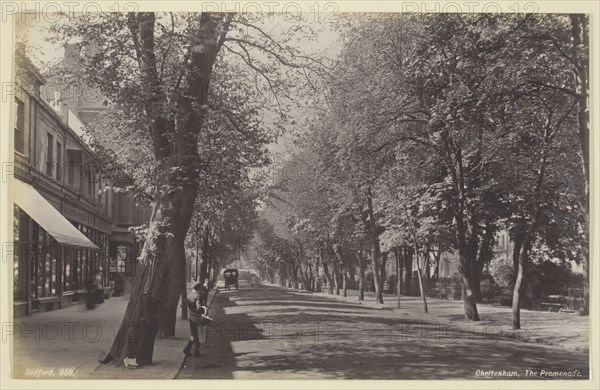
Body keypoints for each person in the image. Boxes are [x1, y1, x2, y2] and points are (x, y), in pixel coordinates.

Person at [183, 279, 211, 357]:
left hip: (191, 317)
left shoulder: (189, 295)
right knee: (198, 334)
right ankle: (196, 352)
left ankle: (187, 349)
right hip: (197, 317)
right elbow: (199, 308)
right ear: (198, 288)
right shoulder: (198, 296)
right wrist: (203, 311)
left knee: (193, 334)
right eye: (201, 288)